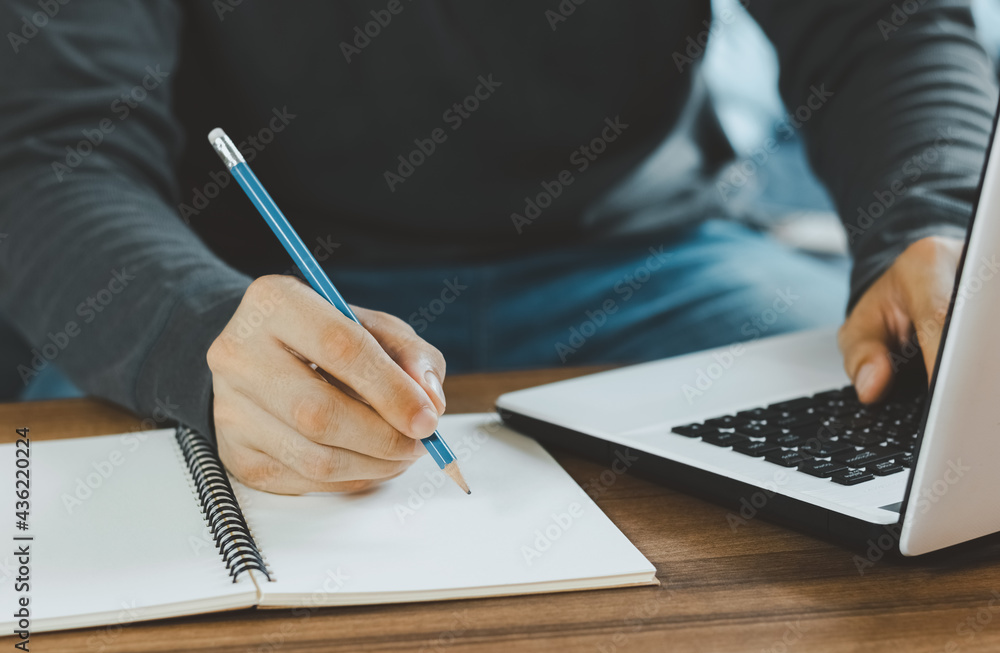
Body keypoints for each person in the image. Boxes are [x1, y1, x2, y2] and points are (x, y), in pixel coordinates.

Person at [0, 1, 996, 494]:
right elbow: (47, 151)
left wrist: (933, 218)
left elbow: (887, 23)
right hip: (252, 297)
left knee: (918, 440)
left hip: (651, 263)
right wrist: (192, 333)